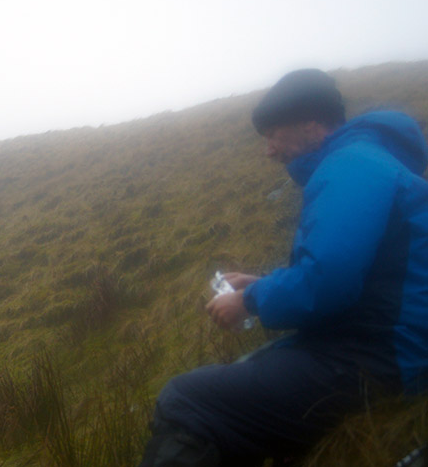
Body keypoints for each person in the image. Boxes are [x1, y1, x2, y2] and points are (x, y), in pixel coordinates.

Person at [140, 69, 428, 466]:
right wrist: (266, 283)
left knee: (186, 400)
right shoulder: (367, 161)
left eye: (274, 134)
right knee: (241, 384)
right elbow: (359, 275)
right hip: (382, 345)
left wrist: (251, 301)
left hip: (378, 361)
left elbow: (328, 282)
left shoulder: (351, 167)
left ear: (311, 127)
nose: (269, 150)